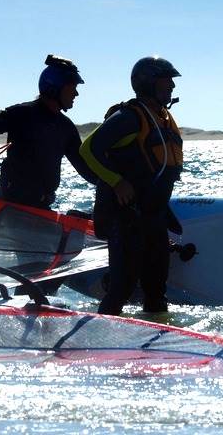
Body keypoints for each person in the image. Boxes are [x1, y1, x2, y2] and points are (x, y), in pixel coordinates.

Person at [79, 56, 183, 315]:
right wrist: (117, 182)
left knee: (156, 290)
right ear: (148, 83)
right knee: (121, 288)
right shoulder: (129, 117)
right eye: (166, 80)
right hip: (127, 218)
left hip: (154, 217)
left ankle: (157, 336)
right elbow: (88, 149)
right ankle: (99, 335)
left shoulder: (162, 118)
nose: (172, 86)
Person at [0, 55, 98, 211]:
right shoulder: (22, 114)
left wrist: (109, 184)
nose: (76, 94)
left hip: (43, 209)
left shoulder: (66, 128)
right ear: (55, 88)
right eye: (72, 88)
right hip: (11, 208)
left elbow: (84, 167)